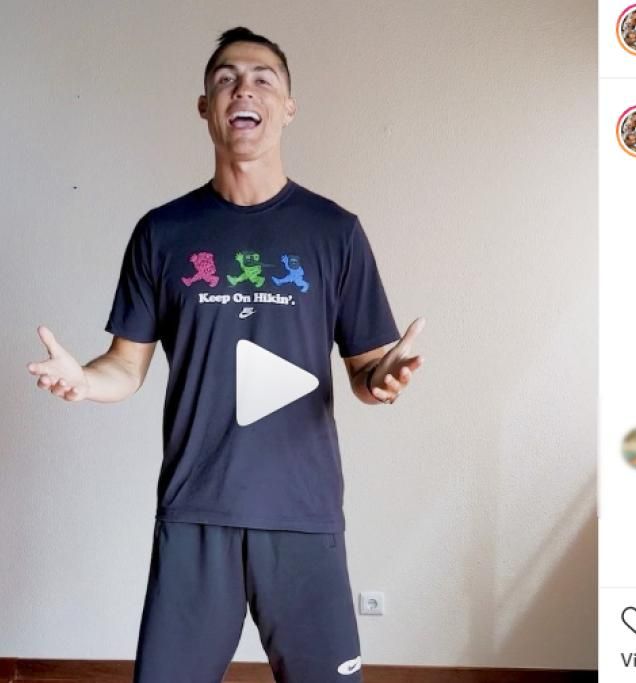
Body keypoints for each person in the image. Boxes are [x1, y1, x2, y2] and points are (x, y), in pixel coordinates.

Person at [25, 26, 423, 683]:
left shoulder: (335, 232)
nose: (244, 88)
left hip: (302, 512)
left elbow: (365, 367)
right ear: (205, 107)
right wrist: (86, 382)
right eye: (225, 79)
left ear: (288, 107)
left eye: (264, 78)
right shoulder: (163, 233)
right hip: (195, 509)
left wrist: (386, 376)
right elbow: (125, 364)